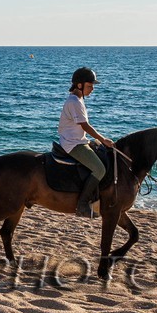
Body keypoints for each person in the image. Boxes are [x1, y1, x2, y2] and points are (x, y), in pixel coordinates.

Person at [59, 67, 116, 217]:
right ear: (79, 85)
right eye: (90, 86)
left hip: (78, 140)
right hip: (73, 144)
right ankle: (82, 205)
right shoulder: (75, 102)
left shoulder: (78, 99)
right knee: (99, 169)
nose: (92, 89)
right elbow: (84, 125)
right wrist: (103, 139)